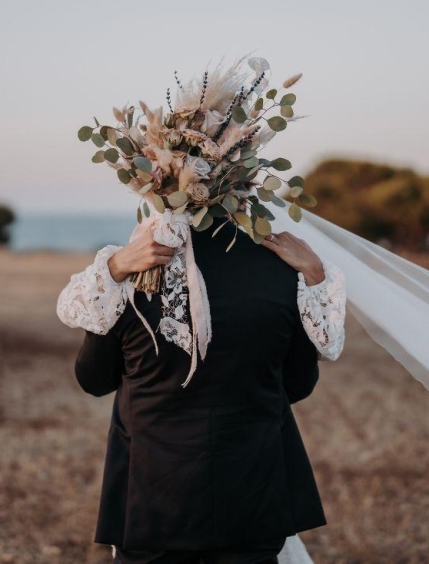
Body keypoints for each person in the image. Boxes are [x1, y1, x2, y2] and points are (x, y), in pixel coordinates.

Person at [56, 212, 346, 564]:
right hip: (252, 497)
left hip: (151, 499)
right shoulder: (284, 270)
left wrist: (113, 269)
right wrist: (314, 275)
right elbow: (298, 384)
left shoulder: (131, 274)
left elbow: (94, 380)